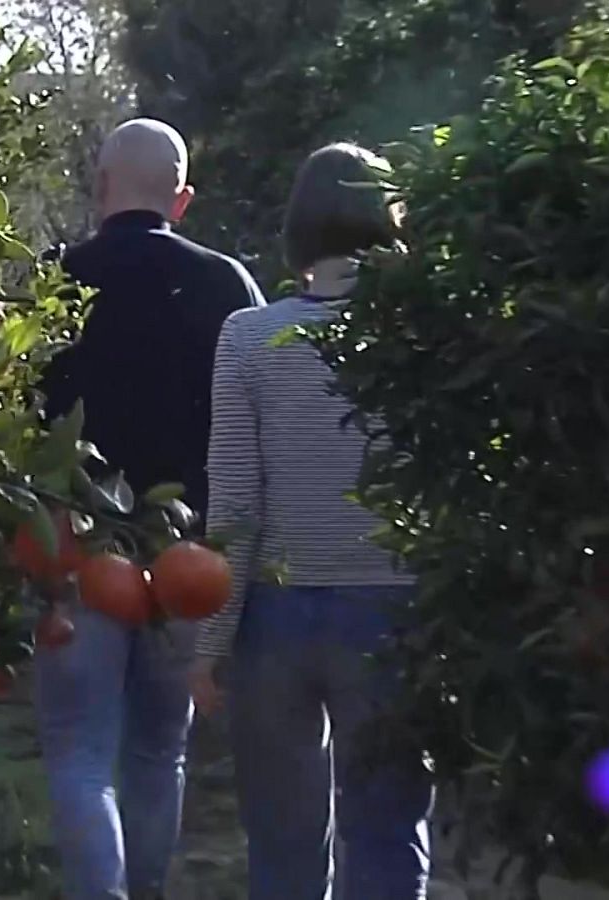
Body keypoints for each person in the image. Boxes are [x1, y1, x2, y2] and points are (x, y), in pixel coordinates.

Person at [190, 142, 435, 899]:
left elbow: (233, 502)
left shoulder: (247, 337)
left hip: (276, 616)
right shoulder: (424, 334)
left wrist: (211, 640)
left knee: (283, 845)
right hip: (393, 609)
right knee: (388, 833)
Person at [34, 118, 265, 900]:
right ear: (183, 198)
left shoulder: (52, 279)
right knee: (158, 750)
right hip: (186, 559)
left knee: (78, 748)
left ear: (100, 189)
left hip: (76, 550)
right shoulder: (227, 286)